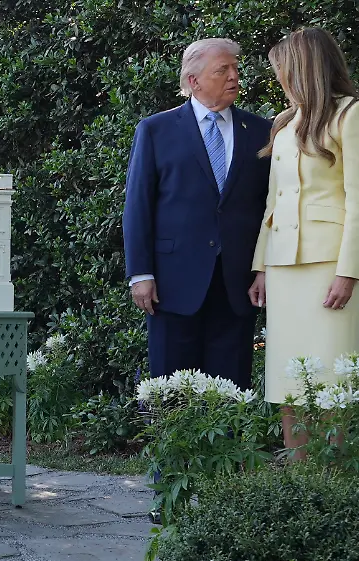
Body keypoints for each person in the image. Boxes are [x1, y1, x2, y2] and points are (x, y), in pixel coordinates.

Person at [248, 27, 359, 452]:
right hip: (284, 269)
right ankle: (300, 479)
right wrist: (260, 267)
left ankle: (332, 486)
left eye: (283, 69)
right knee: (287, 380)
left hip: (329, 265)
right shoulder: (284, 123)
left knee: (331, 383)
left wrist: (349, 272)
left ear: (304, 68)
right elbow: (273, 203)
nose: (280, 78)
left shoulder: (353, 113)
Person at [123, 38, 273, 393]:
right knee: (171, 386)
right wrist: (140, 273)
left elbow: (271, 206)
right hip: (172, 282)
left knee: (231, 384)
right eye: (223, 70)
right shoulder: (156, 130)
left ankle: (227, 450)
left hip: (237, 282)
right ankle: (173, 450)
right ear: (193, 81)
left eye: (236, 68)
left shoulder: (262, 131)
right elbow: (138, 206)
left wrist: (263, 267)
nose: (235, 76)